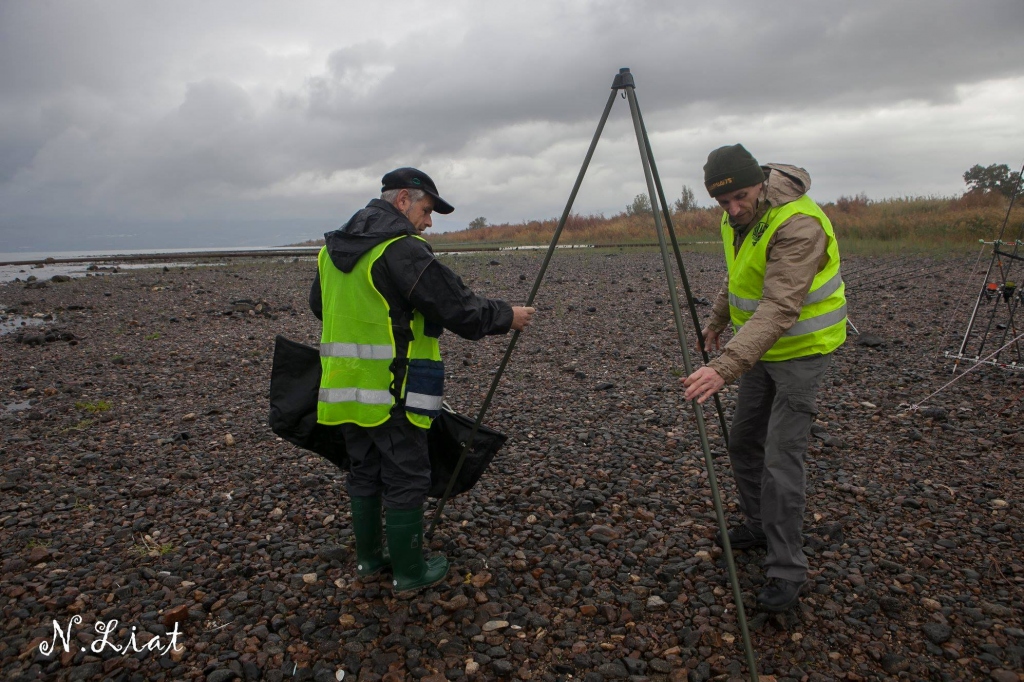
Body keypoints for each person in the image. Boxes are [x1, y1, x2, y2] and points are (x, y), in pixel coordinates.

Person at [309, 167, 535, 596]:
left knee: (364, 471)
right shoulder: (400, 249)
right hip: (393, 390)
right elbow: (457, 307)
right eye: (427, 210)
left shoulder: (332, 250)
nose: (429, 222)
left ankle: (370, 559)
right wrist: (508, 316)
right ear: (402, 201)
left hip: (342, 389)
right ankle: (409, 571)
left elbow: (322, 308)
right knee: (406, 475)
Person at [682, 144, 846, 612]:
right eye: (723, 202)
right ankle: (758, 524)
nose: (734, 209)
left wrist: (723, 368)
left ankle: (787, 570)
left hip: (802, 351)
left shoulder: (798, 223)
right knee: (743, 442)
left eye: (741, 197)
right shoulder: (736, 215)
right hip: (760, 351)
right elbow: (741, 277)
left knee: (781, 460)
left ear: (760, 184)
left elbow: (779, 305)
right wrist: (716, 319)